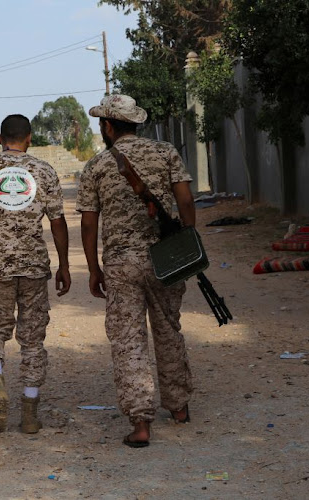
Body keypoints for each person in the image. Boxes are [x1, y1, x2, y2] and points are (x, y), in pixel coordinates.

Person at [76, 95, 196, 448]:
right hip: (166, 259)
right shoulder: (166, 153)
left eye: (102, 124)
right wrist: (187, 242)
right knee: (169, 329)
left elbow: (88, 224)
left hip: (121, 263)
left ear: (109, 127)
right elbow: (186, 201)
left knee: (129, 341)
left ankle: (141, 421)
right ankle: (178, 407)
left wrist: (93, 269)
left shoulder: (97, 166)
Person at [0, 114, 70, 434]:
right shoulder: (44, 171)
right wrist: (63, 264)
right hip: (34, 267)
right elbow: (58, 222)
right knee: (33, 340)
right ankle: (30, 412)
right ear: (30, 138)